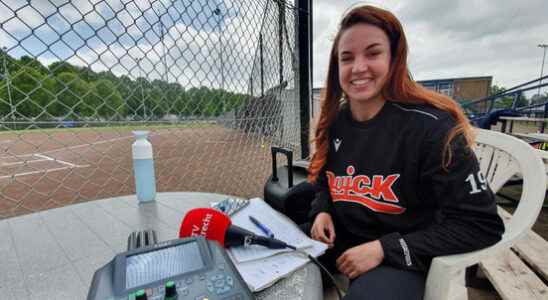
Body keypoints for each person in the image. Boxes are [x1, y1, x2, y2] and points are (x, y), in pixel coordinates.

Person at [306, 5, 505, 300]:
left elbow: (482, 224)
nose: (358, 67)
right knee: (270, 251)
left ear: (394, 59)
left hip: (404, 252)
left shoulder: (434, 128)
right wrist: (322, 209)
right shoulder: (335, 123)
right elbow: (325, 179)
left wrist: (385, 249)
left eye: (372, 53)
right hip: (345, 235)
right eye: (346, 58)